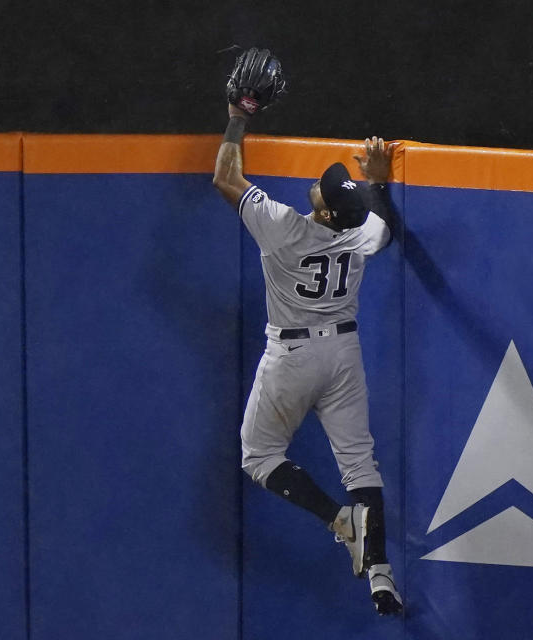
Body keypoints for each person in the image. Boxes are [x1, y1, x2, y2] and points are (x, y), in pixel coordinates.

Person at [212, 103, 403, 616]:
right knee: (360, 460)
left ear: (323, 213)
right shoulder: (356, 235)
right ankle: (381, 573)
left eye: (328, 190)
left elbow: (224, 177)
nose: (324, 185)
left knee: (259, 455)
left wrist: (237, 117)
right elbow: (382, 228)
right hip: (343, 352)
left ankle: (340, 522)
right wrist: (379, 182)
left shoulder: (283, 227)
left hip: (292, 354)